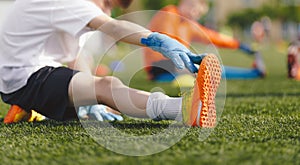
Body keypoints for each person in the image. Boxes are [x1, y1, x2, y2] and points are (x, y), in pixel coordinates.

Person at [0, 0, 222, 127]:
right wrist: (157, 39)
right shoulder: (70, 2)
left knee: (104, 96)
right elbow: (114, 28)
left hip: (28, 75)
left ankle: (29, 109)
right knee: (108, 87)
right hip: (23, 77)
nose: (106, 11)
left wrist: (90, 98)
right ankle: (183, 110)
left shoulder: (74, 10)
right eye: (107, 3)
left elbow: (78, 60)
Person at [143, 0, 265, 82]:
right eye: (197, 11)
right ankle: (254, 73)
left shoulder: (188, 24)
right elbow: (166, 40)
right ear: (188, 3)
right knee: (209, 69)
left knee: (211, 69)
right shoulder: (170, 13)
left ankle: (253, 73)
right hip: (160, 68)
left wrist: (240, 46)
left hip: (175, 66)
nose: (197, 16)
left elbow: (212, 36)